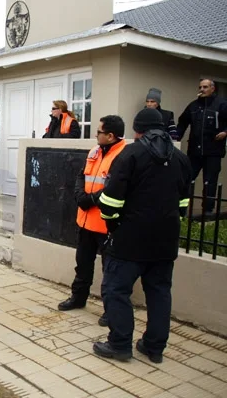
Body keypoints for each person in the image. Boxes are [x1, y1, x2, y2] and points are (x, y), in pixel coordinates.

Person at [94, 108, 192, 363]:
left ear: (138, 131)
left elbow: (110, 201)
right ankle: (154, 347)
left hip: (130, 240)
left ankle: (120, 344)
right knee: (159, 292)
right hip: (165, 241)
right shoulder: (181, 158)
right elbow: (183, 203)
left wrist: (113, 227)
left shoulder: (130, 154)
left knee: (116, 290)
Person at [58, 115, 127, 327]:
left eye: (98, 131)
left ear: (110, 135)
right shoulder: (95, 150)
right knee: (83, 264)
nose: (95, 134)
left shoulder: (124, 156)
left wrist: (91, 200)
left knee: (111, 271)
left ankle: (110, 310)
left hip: (106, 223)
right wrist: (80, 195)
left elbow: (116, 187)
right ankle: (78, 298)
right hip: (86, 221)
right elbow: (82, 175)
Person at [175, 79, 227, 216]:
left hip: (213, 151)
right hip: (194, 152)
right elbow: (182, 123)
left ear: (212, 88)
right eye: (200, 87)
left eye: (205, 87)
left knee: (209, 182)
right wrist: (174, 140)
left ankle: (208, 211)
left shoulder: (221, 104)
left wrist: (225, 132)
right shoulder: (193, 106)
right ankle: (181, 210)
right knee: (187, 178)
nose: (202, 89)